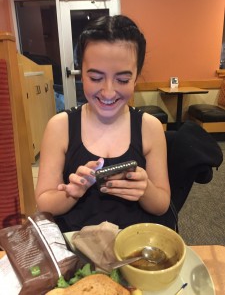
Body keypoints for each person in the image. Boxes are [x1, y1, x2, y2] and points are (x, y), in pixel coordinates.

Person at [35, 15, 171, 232]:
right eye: (96, 78)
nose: (108, 92)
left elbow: (161, 205)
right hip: (77, 248)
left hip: (133, 247)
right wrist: (72, 192)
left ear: (136, 77)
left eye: (123, 80)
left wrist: (145, 190)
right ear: (81, 74)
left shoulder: (150, 127)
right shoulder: (60, 126)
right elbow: (44, 202)